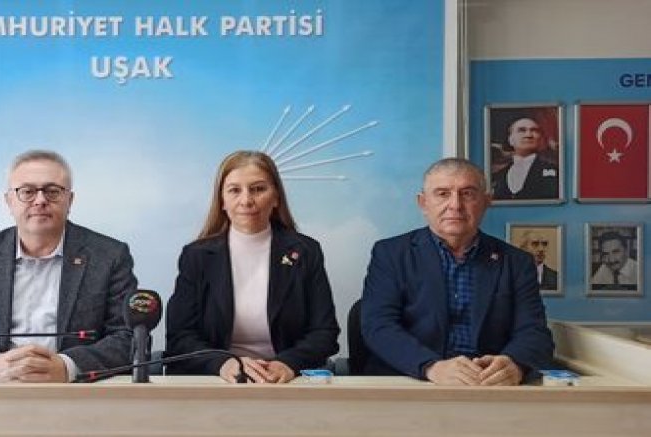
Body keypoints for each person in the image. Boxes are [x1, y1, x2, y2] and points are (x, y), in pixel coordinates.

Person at [0, 150, 136, 383]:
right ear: (9, 201)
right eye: (27, 191)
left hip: (76, 392)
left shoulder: (109, 256)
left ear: (70, 200)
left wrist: (68, 367)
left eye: (52, 191)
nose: (40, 200)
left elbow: (129, 338)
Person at [361, 158, 553, 385]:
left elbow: (534, 332)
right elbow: (378, 326)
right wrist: (431, 366)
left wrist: (515, 364)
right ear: (423, 203)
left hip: (488, 385)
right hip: (412, 381)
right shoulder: (390, 254)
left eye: (467, 194)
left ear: (486, 201)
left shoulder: (516, 262)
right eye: (443, 194)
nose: (455, 205)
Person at [165, 151, 340, 383]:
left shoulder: (306, 251)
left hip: (285, 380)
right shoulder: (196, 256)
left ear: (276, 197)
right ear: (222, 201)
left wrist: (287, 363)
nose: (246, 200)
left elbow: (324, 333)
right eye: (234, 190)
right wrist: (222, 363)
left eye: (258, 189)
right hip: (218, 380)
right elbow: (179, 336)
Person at [491, 116, 559, 200]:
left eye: (534, 130)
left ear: (540, 138)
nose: (528, 135)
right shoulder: (498, 176)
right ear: (510, 139)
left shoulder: (555, 170)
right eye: (522, 130)